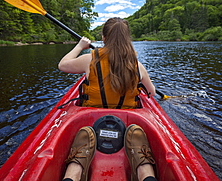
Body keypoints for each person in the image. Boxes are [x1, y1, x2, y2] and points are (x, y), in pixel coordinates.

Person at [59, 17, 157, 181]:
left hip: (90, 117)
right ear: (127, 38)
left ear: (103, 38)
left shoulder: (89, 59)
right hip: (128, 118)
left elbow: (62, 65)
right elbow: (152, 92)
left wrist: (80, 46)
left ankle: (74, 173)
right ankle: (144, 173)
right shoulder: (137, 65)